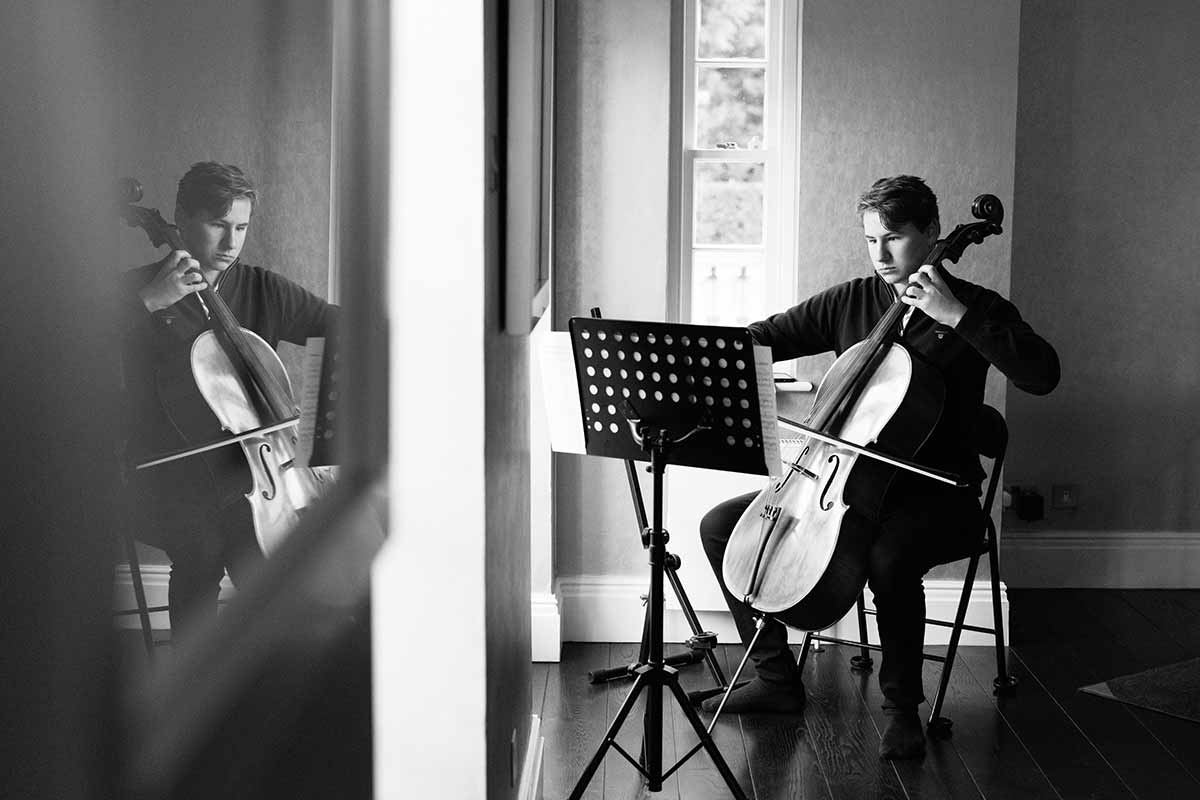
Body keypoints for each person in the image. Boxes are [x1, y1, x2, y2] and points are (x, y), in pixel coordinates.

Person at [698, 175, 1059, 760]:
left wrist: (957, 315)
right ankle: (775, 678)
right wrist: (708, 355)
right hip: (841, 484)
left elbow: (1042, 375)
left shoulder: (980, 309)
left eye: (893, 239)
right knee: (722, 527)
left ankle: (902, 711)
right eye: (870, 240)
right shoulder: (854, 300)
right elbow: (766, 335)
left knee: (890, 558)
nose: (881, 256)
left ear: (933, 234)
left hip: (935, 496)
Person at [119, 161, 336, 640]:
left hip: (254, 472)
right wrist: (148, 304)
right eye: (217, 225)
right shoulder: (133, 292)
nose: (231, 243)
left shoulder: (262, 288)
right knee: (206, 545)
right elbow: (68, 360)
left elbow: (340, 328)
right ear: (180, 218)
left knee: (277, 549)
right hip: (167, 473)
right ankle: (194, 684)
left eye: (240, 227)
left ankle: (262, 675)